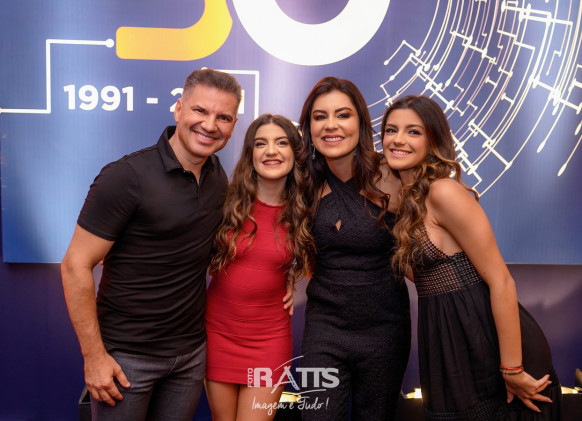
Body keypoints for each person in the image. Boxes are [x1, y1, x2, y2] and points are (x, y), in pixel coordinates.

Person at [61, 68, 243, 421]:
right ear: (179, 109)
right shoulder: (126, 176)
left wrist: (283, 279)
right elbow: (75, 265)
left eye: (223, 117)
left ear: (233, 125)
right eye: (200, 110)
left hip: (191, 356)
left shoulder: (219, 177)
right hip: (127, 359)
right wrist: (94, 357)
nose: (210, 125)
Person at [381, 94, 562, 420]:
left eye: (413, 131)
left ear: (433, 140)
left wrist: (512, 369)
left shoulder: (443, 191)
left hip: (486, 342)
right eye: (391, 130)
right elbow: (422, 276)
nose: (398, 139)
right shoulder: (408, 203)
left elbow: (501, 281)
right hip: (446, 340)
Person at [298, 76, 411, 420]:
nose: (330, 125)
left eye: (342, 115)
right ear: (309, 127)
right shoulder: (302, 181)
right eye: (320, 116)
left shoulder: (393, 175)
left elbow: (432, 238)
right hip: (324, 329)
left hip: (384, 330)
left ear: (361, 122)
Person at [204, 114, 315, 421]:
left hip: (270, 339)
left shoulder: (306, 210)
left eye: (281, 143)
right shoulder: (224, 201)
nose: (271, 151)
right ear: (250, 154)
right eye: (261, 144)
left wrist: (297, 286)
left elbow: (328, 264)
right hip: (218, 333)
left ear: (295, 152)